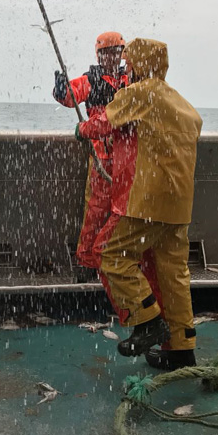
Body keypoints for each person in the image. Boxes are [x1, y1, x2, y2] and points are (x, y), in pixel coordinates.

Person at [77, 38, 202, 370]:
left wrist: (82, 128)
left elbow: (104, 122)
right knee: (173, 274)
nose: (126, 69)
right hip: (179, 208)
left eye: (129, 64)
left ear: (139, 65)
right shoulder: (185, 106)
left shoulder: (139, 93)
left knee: (110, 253)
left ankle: (147, 321)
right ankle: (182, 348)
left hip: (143, 202)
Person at [53, 31, 129, 271]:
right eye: (107, 53)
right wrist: (62, 88)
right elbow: (71, 97)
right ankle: (87, 261)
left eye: (116, 52)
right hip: (102, 159)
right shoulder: (92, 79)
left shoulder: (132, 80)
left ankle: (118, 259)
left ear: (122, 54)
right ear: (99, 55)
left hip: (129, 159)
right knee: (96, 211)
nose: (111, 57)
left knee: (127, 212)